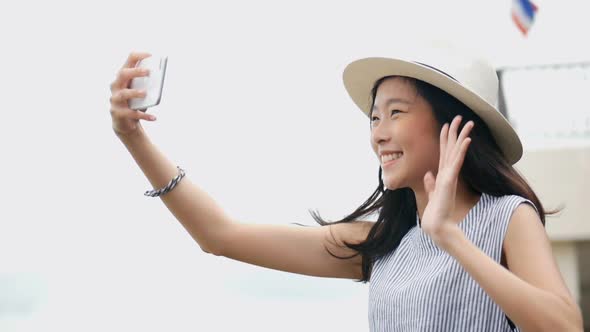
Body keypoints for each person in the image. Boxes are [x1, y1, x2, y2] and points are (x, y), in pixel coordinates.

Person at [108, 45, 584, 331]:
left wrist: (450, 237)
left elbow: (563, 325)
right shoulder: (382, 243)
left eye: (396, 113)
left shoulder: (507, 217)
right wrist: (134, 139)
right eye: (374, 117)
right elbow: (220, 235)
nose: (378, 132)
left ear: (454, 124)